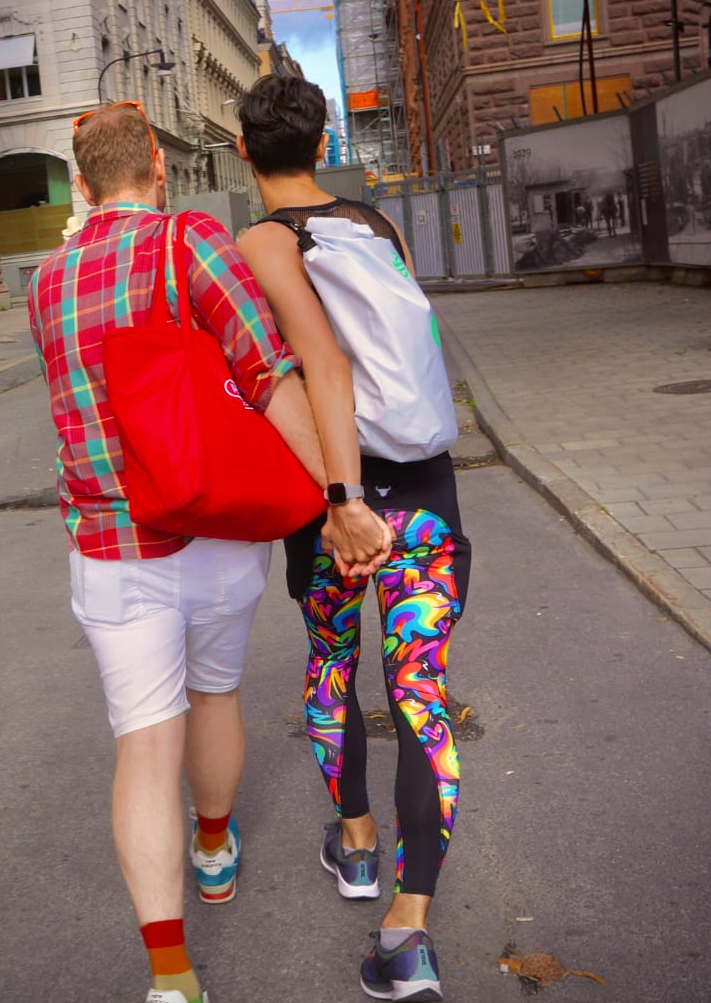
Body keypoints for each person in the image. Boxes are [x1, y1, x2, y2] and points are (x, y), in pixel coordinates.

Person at [27, 100, 382, 1003]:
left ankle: (171, 976)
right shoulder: (191, 242)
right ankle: (215, 844)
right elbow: (268, 374)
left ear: (80, 182)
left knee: (144, 746)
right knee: (214, 693)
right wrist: (338, 503)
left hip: (110, 546)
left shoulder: (46, 279)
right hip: (217, 531)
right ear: (157, 162)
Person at [236, 75, 471, 1003]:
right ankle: (408, 929)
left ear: (245, 151)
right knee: (419, 687)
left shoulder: (261, 241)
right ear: (323, 136)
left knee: (333, 660)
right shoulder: (378, 227)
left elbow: (320, 363)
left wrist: (341, 500)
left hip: (332, 498)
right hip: (425, 492)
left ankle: (360, 844)